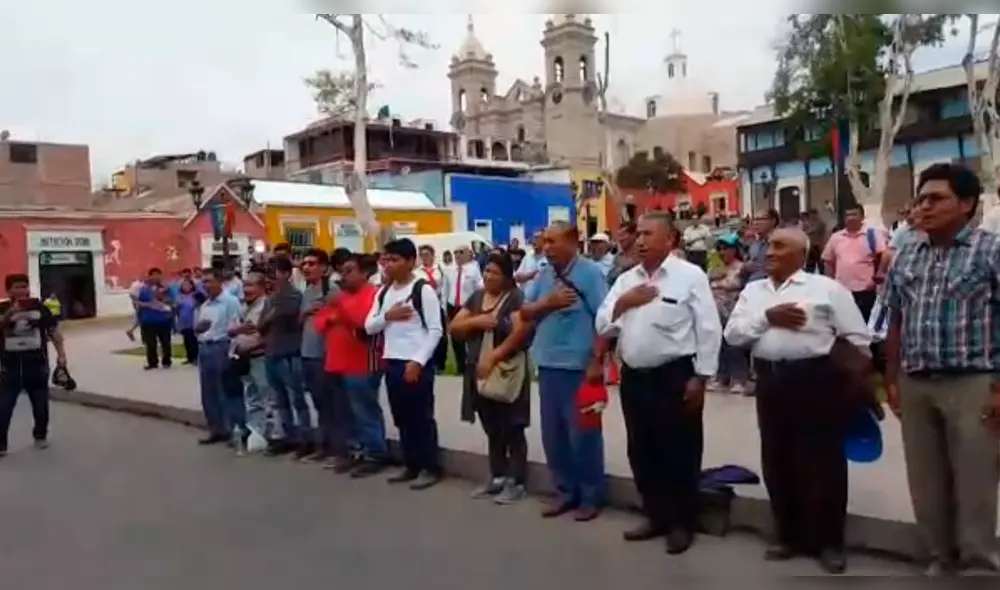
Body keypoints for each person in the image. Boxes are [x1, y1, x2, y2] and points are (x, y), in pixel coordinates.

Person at [724, 227, 870, 574]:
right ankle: (786, 535)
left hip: (816, 381)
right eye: (769, 245)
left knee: (823, 462)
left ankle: (829, 542)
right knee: (777, 459)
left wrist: (853, 384)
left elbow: (858, 339)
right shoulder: (754, 291)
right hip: (771, 382)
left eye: (779, 246)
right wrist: (767, 318)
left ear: (801, 254)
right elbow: (733, 334)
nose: (769, 252)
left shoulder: (827, 290)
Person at [884, 163, 1000, 576]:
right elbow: (894, 319)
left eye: (936, 199)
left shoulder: (990, 250)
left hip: (974, 382)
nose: (923, 207)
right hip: (916, 382)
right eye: (920, 199)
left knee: (975, 478)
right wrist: (892, 379)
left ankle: (979, 562)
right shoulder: (907, 254)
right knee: (926, 479)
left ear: (967, 204)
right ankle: (940, 555)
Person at [596, 212, 722, 554]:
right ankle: (656, 516)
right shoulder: (626, 280)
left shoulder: (689, 276)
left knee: (679, 452)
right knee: (642, 449)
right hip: (635, 378)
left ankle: (682, 522)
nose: (640, 241)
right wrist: (624, 303)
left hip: (675, 376)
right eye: (638, 234)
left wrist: (701, 377)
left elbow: (709, 328)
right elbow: (602, 325)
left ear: (670, 240)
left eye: (648, 234)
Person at [520, 221, 608, 522]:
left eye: (553, 241)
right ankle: (565, 493)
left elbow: (605, 321)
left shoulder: (591, 274)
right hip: (547, 365)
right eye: (544, 241)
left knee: (583, 435)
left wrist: (598, 361)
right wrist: (549, 303)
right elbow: (525, 311)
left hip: (579, 368)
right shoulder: (544, 274)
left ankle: (590, 496)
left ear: (573, 241)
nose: (546, 247)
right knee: (553, 436)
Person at [450, 252, 534, 505]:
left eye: (495, 272)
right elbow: (454, 326)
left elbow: (520, 333)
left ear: (508, 276)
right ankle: (497, 475)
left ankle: (516, 481)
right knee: (491, 427)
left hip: (506, 371)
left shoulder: (515, 298)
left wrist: (494, 357)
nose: (488, 276)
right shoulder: (477, 297)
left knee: (513, 427)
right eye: (486, 271)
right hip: (478, 370)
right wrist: (478, 320)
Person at [364, 238, 445, 490]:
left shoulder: (423, 290)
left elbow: (435, 330)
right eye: (386, 260)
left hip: (416, 362)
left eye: (395, 260)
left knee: (421, 416)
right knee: (401, 416)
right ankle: (411, 464)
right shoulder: (384, 292)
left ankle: (429, 466)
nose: (388, 265)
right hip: (392, 361)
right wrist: (388, 316)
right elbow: (369, 326)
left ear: (410, 262)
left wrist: (418, 361)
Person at [315, 254, 387, 477]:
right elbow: (319, 323)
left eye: (349, 271)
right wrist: (332, 317)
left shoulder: (372, 295)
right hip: (336, 362)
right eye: (342, 272)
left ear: (364, 273)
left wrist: (340, 312)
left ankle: (375, 453)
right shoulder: (340, 296)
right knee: (345, 412)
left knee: (364, 410)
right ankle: (356, 450)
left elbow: (362, 324)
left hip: (361, 363)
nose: (343, 276)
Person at [0, 274, 68, 456]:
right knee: (4, 405)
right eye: (17, 287)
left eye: (24, 286)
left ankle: (40, 435)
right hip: (9, 366)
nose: (22, 290)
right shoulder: (2, 308)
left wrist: (62, 356)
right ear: (9, 290)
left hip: (36, 364)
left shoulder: (40, 308)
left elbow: (53, 331)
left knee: (40, 403)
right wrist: (10, 313)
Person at [259, 257, 312, 458]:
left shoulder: (294, 296)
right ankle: (289, 436)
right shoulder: (271, 298)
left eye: (275, 272)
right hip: (272, 351)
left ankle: (304, 438)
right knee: (280, 399)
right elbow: (262, 324)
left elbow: (288, 320)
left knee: (296, 397)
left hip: (289, 352)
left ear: (286, 274)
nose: (271, 277)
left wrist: (271, 317)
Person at [194, 268, 245, 445]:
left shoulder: (230, 302)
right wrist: (198, 330)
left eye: (209, 281)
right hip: (205, 347)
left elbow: (236, 327)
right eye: (204, 282)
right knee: (208, 392)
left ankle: (232, 429)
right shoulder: (205, 305)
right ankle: (215, 428)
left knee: (224, 390)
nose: (206, 285)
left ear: (219, 282)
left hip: (221, 346)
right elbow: (199, 327)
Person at [230, 272, 280, 448]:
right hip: (245, 359)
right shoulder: (245, 307)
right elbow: (236, 330)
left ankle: (275, 434)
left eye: (251, 286)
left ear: (261, 287)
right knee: (251, 397)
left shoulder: (266, 306)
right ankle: (256, 433)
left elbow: (266, 334)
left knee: (268, 397)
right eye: (245, 286)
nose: (246, 290)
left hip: (261, 357)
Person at [299, 248, 335, 463]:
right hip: (307, 353)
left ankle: (334, 446)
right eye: (304, 264)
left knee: (330, 403)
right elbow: (299, 323)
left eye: (312, 264)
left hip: (325, 354)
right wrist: (304, 314)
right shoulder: (306, 291)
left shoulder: (331, 290)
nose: (306, 268)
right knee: (319, 403)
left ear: (324, 267)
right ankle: (324, 444)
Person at [822, 204, 887, 322]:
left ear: (862, 217)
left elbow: (883, 257)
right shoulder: (836, 237)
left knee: (864, 322)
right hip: (842, 290)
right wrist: (829, 283)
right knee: (844, 323)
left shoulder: (872, 235)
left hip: (866, 290)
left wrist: (875, 280)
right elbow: (828, 261)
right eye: (848, 215)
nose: (851, 218)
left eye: (854, 214)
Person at [708, 235, 749, 395]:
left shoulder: (742, 267)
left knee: (734, 345)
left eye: (726, 248)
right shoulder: (714, 269)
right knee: (719, 345)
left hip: (734, 310)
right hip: (716, 311)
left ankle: (739, 378)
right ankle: (721, 377)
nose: (722, 252)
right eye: (720, 248)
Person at [443, 245, 483, 374]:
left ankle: (472, 364)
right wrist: (444, 308)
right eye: (455, 252)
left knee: (470, 335)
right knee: (455, 337)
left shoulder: (474, 270)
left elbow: (479, 289)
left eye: (461, 252)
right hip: (452, 305)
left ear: (468, 254)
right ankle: (461, 367)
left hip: (467, 307)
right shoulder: (449, 270)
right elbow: (445, 289)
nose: (457, 255)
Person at [416, 244, 448, 373]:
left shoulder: (439, 269)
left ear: (433, 256)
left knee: (440, 335)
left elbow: (444, 288)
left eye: (427, 255)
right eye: (422, 255)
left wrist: (444, 307)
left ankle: (440, 364)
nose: (425, 258)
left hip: (438, 304)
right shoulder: (418, 272)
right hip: (423, 307)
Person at [135, 268, 175, 370]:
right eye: (153, 275)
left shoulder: (166, 289)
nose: (156, 277)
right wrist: (146, 307)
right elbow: (138, 304)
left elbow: (172, 302)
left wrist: (163, 299)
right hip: (149, 320)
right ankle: (152, 363)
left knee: (166, 342)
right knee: (150, 343)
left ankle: (167, 361)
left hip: (164, 320)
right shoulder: (143, 289)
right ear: (149, 276)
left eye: (158, 275)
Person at [742, 209, 779, 283]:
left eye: (760, 219)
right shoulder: (755, 244)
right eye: (754, 219)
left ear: (773, 221)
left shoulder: (781, 241)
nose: (755, 223)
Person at [175, 277, 200, 365]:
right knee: (186, 340)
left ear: (192, 286)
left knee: (194, 340)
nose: (185, 287)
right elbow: (177, 309)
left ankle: (196, 358)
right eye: (183, 285)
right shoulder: (180, 296)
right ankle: (189, 357)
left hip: (193, 320)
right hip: (183, 320)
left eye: (188, 285)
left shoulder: (195, 296)